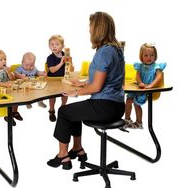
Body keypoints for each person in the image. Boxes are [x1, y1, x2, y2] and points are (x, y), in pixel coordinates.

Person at [47, 12, 125, 170]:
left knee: (63, 111)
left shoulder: (104, 51)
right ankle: (77, 149)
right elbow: (104, 77)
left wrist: (75, 93)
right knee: (74, 112)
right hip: (117, 105)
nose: (89, 29)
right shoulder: (116, 49)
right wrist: (82, 83)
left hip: (104, 106)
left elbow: (96, 87)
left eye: (91, 25)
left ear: (98, 28)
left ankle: (63, 155)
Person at [124, 43, 166, 129]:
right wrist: (140, 83)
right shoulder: (140, 66)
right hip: (138, 87)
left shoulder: (155, 67)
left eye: (151, 55)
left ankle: (139, 122)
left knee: (136, 104)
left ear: (155, 56)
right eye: (146, 55)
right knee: (128, 100)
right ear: (141, 56)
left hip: (145, 90)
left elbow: (159, 76)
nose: (149, 57)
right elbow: (138, 76)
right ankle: (127, 120)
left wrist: (151, 85)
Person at [0, 49, 23, 126]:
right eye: (1, 60)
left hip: (10, 89)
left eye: (5, 59)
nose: (4, 61)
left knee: (17, 98)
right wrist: (5, 84)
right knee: (9, 102)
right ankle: (8, 115)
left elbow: (13, 79)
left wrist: (9, 72)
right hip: (0, 91)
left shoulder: (6, 69)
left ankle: (14, 112)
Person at [46, 34, 74, 122]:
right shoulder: (50, 58)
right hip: (53, 80)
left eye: (57, 44)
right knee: (52, 96)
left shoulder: (65, 55)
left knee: (66, 93)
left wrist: (70, 63)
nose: (54, 46)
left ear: (62, 46)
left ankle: (63, 107)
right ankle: (51, 110)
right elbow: (52, 70)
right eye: (52, 44)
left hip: (63, 79)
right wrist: (61, 63)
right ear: (49, 46)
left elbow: (72, 70)